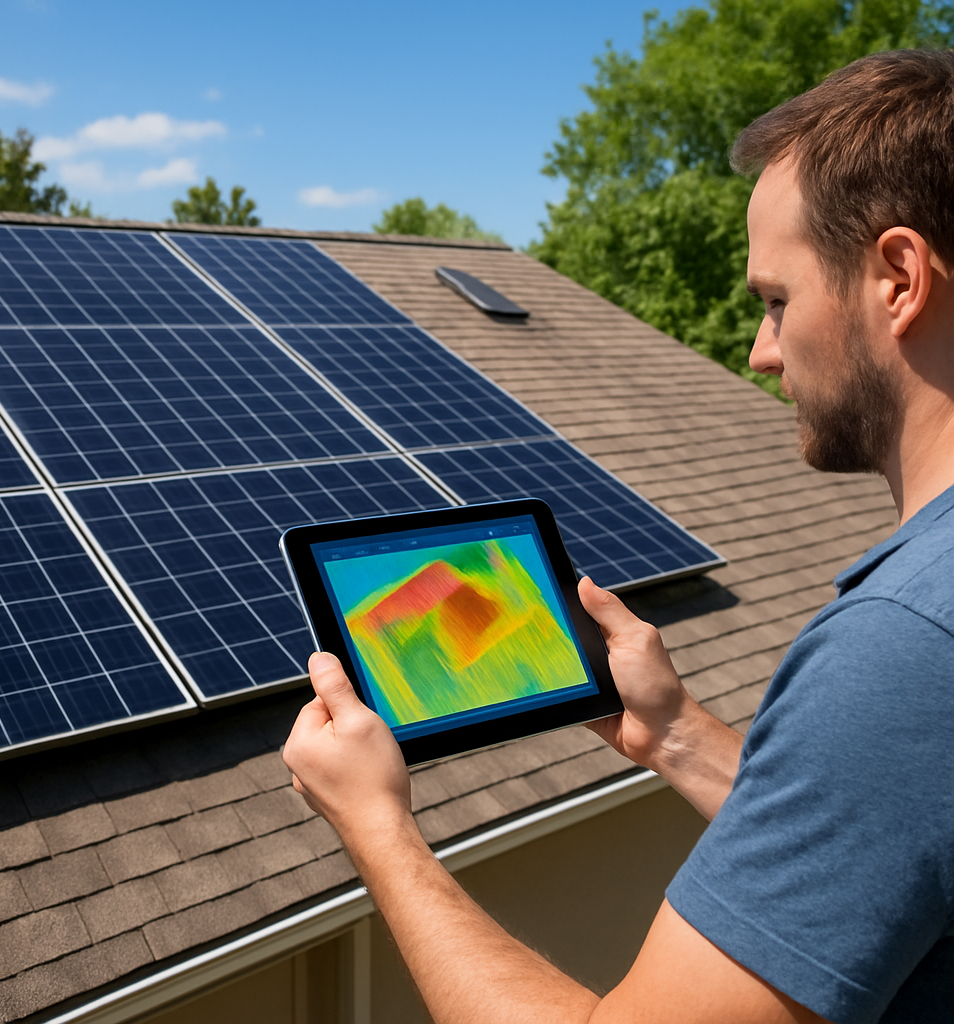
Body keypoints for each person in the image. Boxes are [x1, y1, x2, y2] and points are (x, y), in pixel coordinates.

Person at [283, 48, 954, 1024]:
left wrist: (379, 830)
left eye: (776, 301)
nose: (760, 351)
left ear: (897, 278)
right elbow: (888, 834)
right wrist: (673, 732)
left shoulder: (900, 649)